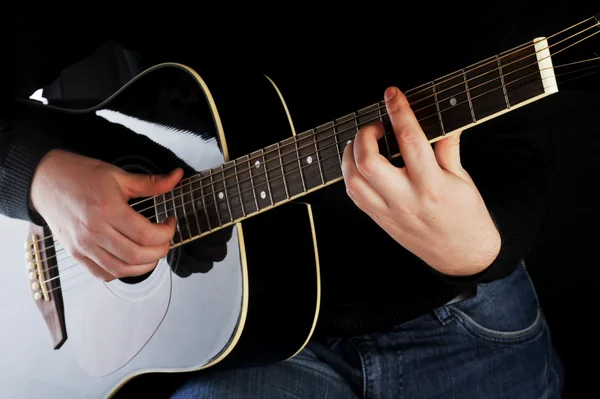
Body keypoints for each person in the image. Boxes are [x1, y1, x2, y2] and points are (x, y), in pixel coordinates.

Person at [0, 14, 569, 398]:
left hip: (458, 322)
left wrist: (473, 247)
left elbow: (521, 150)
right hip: (241, 343)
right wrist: (39, 177)